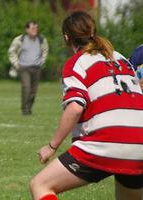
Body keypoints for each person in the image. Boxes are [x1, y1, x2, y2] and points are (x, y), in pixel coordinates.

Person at [30, 11, 143, 200]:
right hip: (140, 142)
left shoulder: (77, 63)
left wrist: (52, 146)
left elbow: (75, 107)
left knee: (40, 185)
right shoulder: (120, 58)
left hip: (105, 143)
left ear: (67, 37)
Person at [8, 20, 49, 115]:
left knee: (33, 91)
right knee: (26, 87)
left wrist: (42, 61)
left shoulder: (41, 40)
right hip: (24, 68)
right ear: (27, 30)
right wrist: (16, 64)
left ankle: (29, 107)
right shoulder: (20, 40)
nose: (35, 30)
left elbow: (45, 50)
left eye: (36, 28)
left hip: (36, 68)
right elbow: (12, 51)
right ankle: (24, 109)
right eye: (33, 28)